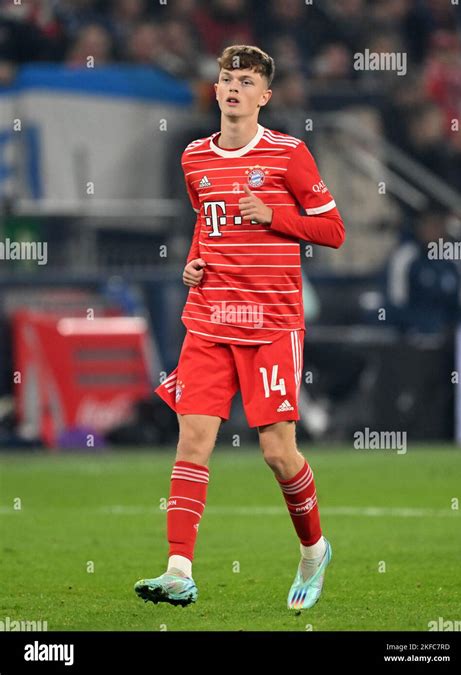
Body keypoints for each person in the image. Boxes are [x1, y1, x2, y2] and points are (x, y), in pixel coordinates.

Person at [134, 44, 345, 611]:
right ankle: (179, 570)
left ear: (264, 95)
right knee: (193, 441)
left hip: (271, 323)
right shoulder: (194, 158)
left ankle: (313, 549)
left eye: (247, 82)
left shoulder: (288, 155)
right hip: (208, 318)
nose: (234, 89)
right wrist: (192, 262)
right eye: (228, 79)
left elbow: (333, 231)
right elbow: (207, 225)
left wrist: (274, 216)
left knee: (278, 452)